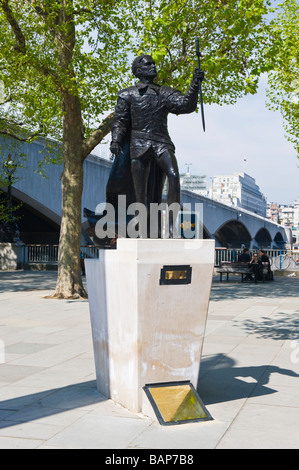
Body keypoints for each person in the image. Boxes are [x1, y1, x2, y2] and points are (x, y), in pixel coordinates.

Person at [109, 54, 204, 237]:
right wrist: (116, 140)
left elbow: (186, 105)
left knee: (174, 176)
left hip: (162, 142)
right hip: (139, 144)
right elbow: (119, 121)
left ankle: (170, 228)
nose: (153, 66)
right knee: (140, 193)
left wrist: (195, 83)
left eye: (154, 64)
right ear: (138, 70)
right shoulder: (126, 95)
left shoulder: (164, 92)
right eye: (148, 64)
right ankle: (142, 230)